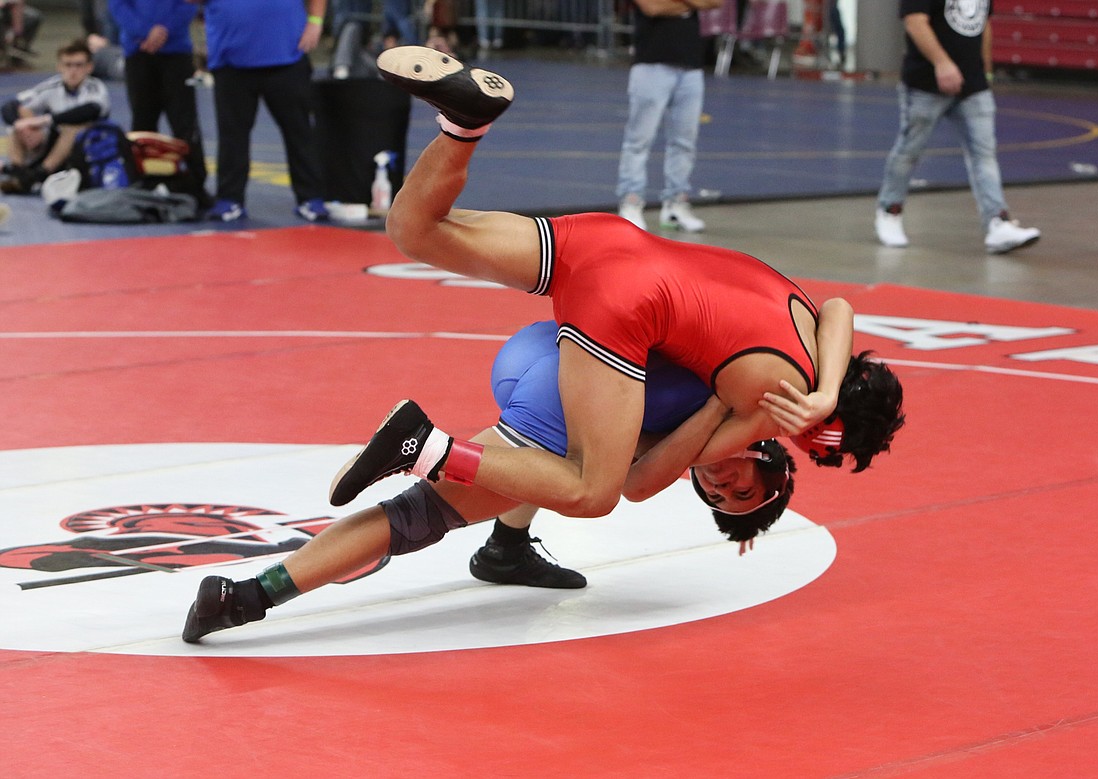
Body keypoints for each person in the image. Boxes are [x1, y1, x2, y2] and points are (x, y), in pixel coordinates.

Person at [328, 47, 903, 524]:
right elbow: (641, 482)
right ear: (825, 431)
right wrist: (737, 411)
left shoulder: (811, 322)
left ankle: (464, 124)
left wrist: (828, 389)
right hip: (624, 302)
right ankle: (425, 447)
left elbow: (840, 306)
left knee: (415, 231)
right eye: (814, 446)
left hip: (610, 243)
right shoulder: (779, 406)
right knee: (590, 490)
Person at [182, 319, 798, 642]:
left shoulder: (735, 396)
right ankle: (249, 596)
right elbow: (634, 484)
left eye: (716, 495)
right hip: (558, 393)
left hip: (538, 351)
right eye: (741, 486)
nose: (720, 480)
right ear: (769, 459)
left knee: (573, 470)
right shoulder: (750, 407)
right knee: (418, 519)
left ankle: (506, 547)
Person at [874, 0, 1040, 255]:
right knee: (910, 150)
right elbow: (915, 22)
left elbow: (983, 24)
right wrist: (942, 63)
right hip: (926, 85)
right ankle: (890, 210)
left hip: (973, 86)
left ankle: (997, 222)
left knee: (984, 154)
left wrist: (985, 71)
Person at [197, 0, 330, 222]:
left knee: (299, 131)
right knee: (232, 135)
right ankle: (230, 199)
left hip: (286, 54)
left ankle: (310, 197)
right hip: (232, 58)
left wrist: (315, 21)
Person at [616, 0, 720, 233]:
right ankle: (631, 200)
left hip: (690, 66)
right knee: (639, 139)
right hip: (651, 63)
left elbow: (716, 1)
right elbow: (652, 7)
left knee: (684, 141)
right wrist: (692, 5)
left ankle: (676, 202)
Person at [107, 0, 212, 207]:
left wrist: (164, 30)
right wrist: (146, 32)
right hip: (138, 51)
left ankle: (195, 184)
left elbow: (190, 3)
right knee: (142, 120)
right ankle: (142, 182)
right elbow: (117, 4)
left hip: (176, 52)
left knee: (185, 122)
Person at [0, 38, 110, 194]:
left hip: (88, 148)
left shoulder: (95, 88)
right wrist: (23, 125)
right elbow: (10, 105)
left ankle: (37, 175)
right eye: (68, 65)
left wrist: (45, 120)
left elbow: (92, 110)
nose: (73, 71)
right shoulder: (52, 86)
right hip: (54, 144)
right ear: (59, 67)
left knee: (73, 129)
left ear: (89, 67)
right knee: (19, 122)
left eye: (79, 65)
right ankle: (19, 172)